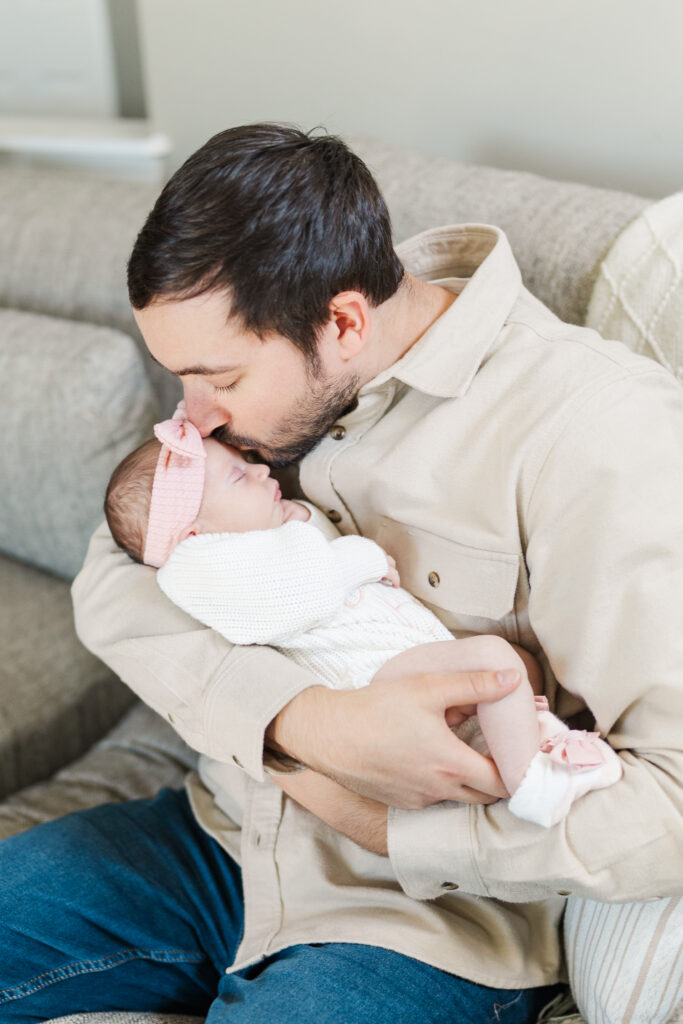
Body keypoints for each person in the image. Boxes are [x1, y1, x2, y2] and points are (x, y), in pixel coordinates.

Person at [1, 123, 681, 1024]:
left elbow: (667, 804)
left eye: (220, 380)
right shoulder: (264, 393)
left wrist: (388, 824)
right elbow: (114, 573)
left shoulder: (597, 436)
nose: (192, 421)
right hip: (223, 832)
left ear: (346, 322)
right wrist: (298, 723)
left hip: (426, 918)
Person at [104, 403, 622, 829]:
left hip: (392, 665)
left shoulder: (252, 537)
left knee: (511, 671)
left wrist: (295, 518)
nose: (262, 469)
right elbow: (296, 598)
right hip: (366, 684)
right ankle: (531, 782)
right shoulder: (199, 568)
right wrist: (363, 557)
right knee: (494, 662)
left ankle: (542, 747)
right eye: (239, 476)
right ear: (194, 537)